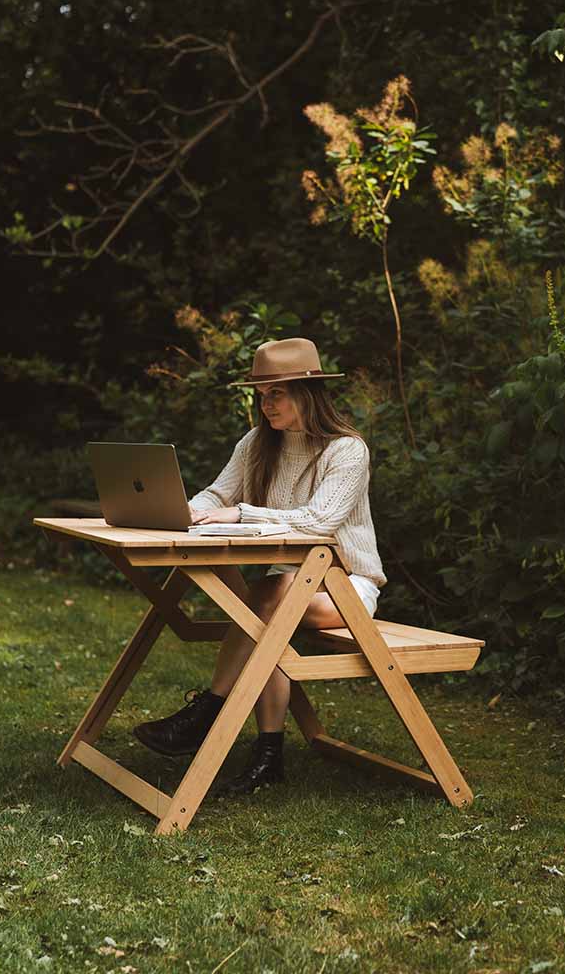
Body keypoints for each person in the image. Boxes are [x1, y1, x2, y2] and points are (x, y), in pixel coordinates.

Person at [132, 337, 386, 794]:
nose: (265, 404)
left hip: (346, 587)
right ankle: (268, 757)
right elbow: (218, 494)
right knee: (269, 615)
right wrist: (190, 510)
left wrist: (241, 514)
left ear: (307, 393)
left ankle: (207, 713)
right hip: (286, 588)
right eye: (261, 394)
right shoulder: (256, 443)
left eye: (276, 393)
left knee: (267, 600)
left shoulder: (346, 451)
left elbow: (319, 521)